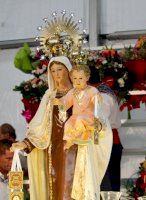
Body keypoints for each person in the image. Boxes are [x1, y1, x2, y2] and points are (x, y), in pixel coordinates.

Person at [11, 56, 112, 200]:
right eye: (53, 71)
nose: (57, 74)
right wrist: (25, 143)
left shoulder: (82, 93)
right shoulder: (49, 97)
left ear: (68, 71)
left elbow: (99, 118)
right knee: (58, 189)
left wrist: (96, 126)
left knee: (75, 188)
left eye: (60, 70)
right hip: (55, 151)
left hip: (78, 148)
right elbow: (40, 127)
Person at [52, 64, 108, 150]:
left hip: (89, 117)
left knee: (80, 120)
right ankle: (69, 140)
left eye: (80, 78)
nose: (77, 81)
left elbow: (97, 105)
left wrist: (97, 99)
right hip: (76, 116)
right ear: (71, 79)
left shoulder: (92, 90)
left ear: (87, 78)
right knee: (68, 123)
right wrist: (60, 102)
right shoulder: (72, 92)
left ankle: (77, 136)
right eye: (75, 78)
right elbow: (66, 101)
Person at [97, 83, 122, 191]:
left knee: (106, 180)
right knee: (113, 179)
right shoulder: (109, 93)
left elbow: (101, 121)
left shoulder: (101, 96)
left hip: (106, 140)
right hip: (114, 140)